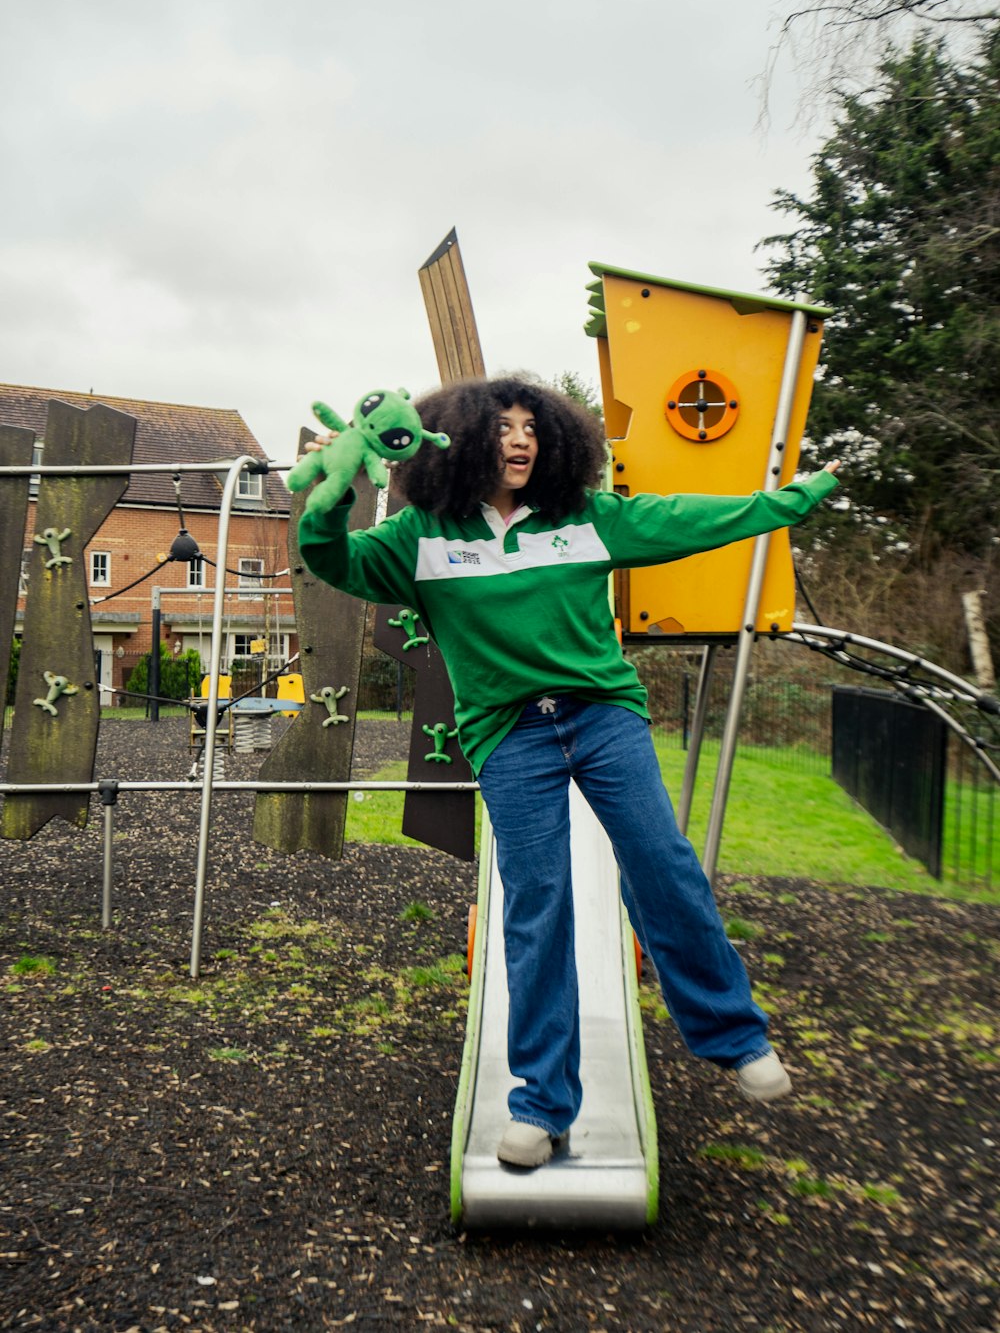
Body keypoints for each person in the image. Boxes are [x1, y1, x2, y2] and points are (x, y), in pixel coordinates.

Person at [298, 374, 841, 1170]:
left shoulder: (586, 519)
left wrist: (786, 503)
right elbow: (335, 562)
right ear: (463, 439)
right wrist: (327, 500)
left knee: (662, 862)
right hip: (509, 734)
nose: (521, 439)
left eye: (533, 427)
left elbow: (686, 518)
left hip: (600, 716)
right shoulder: (420, 537)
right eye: (504, 427)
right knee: (538, 902)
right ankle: (543, 1105)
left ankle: (733, 1037)